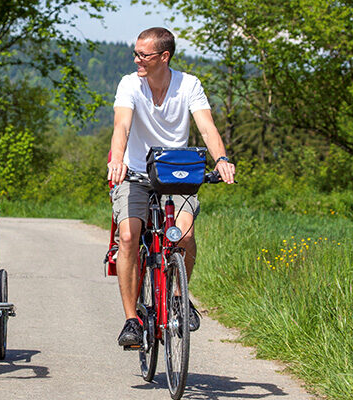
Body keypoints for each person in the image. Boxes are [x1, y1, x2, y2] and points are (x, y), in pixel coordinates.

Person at [107, 27, 236, 347]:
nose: (136, 59)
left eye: (143, 55)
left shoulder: (189, 85)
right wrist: (118, 159)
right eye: (135, 53)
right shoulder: (129, 84)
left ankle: (179, 297)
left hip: (176, 175)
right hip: (134, 174)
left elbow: (206, 126)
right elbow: (121, 125)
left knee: (185, 235)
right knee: (127, 236)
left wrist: (221, 158)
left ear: (164, 57)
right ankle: (131, 320)